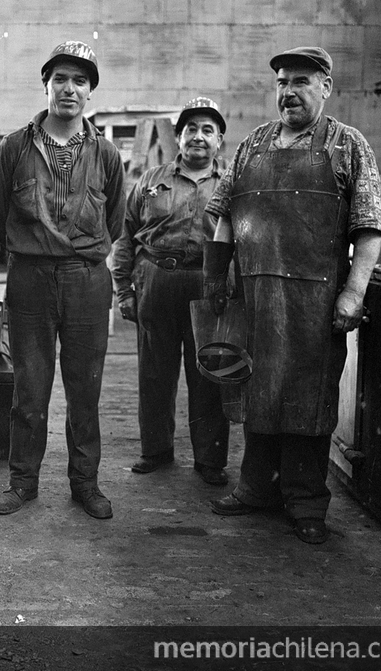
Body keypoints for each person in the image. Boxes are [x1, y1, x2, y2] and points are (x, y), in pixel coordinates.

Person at [204, 46, 381, 544]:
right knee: (254, 394)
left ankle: (306, 501)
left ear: (326, 87)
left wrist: (354, 291)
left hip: (316, 304)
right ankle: (254, 489)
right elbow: (222, 216)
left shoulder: (347, 144)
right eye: (282, 81)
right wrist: (215, 280)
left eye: (301, 81)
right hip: (255, 300)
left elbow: (369, 228)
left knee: (308, 402)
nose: (289, 91)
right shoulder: (252, 144)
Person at [0, 41, 125, 520]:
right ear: (46, 84)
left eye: (80, 81)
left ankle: (84, 484)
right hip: (30, 279)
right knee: (30, 387)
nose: (70, 89)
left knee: (85, 390)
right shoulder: (13, 148)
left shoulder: (106, 154)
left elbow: (117, 219)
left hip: (88, 280)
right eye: (61, 79)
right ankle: (22, 482)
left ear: (90, 92)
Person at [112, 97, 230, 486]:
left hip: (207, 286)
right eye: (191, 129)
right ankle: (156, 451)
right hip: (156, 281)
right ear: (178, 137)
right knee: (155, 372)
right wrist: (124, 290)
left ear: (219, 141)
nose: (198, 137)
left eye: (207, 130)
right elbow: (127, 236)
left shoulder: (231, 185)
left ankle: (210, 459)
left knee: (210, 372)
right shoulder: (150, 180)